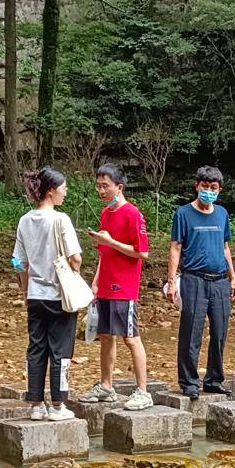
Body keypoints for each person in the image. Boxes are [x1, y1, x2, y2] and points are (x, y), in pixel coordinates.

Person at [83, 163, 153, 411]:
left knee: (130, 337)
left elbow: (142, 252)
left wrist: (111, 242)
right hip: (105, 284)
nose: (101, 191)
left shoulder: (133, 214)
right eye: (98, 186)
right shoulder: (105, 214)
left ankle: (143, 391)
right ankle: (106, 386)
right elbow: (104, 252)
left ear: (119, 187)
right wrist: (95, 280)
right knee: (106, 337)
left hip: (124, 287)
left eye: (106, 186)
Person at [14, 167, 81, 421]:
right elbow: (75, 258)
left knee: (36, 348)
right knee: (61, 351)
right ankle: (58, 404)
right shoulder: (61, 219)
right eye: (63, 188)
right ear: (51, 191)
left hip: (35, 295)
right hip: (59, 296)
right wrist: (75, 268)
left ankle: (35, 404)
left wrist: (25, 289)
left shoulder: (24, 220)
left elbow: (19, 263)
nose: (66, 192)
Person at [167, 165, 235, 398]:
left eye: (213, 188)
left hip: (219, 281)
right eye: (204, 186)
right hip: (193, 279)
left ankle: (214, 379)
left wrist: (233, 277)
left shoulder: (222, 214)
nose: (208, 191)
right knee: (191, 332)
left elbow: (226, 247)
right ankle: (189, 381)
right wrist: (172, 281)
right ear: (197, 186)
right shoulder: (183, 214)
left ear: (219, 189)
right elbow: (176, 247)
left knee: (219, 332)